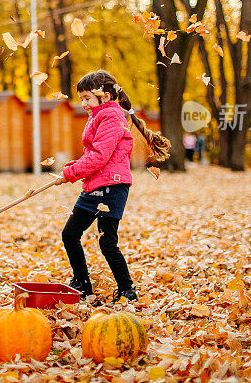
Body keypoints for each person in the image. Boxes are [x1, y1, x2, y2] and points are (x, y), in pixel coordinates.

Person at [55, 70, 171, 303]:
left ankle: (127, 290)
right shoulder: (99, 116)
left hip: (112, 187)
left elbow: (99, 156)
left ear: (105, 96)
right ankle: (82, 282)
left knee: (107, 242)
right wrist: (73, 168)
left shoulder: (111, 117)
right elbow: (94, 154)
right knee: (70, 234)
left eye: (87, 98)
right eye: (82, 98)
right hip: (95, 184)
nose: (83, 103)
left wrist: (71, 172)